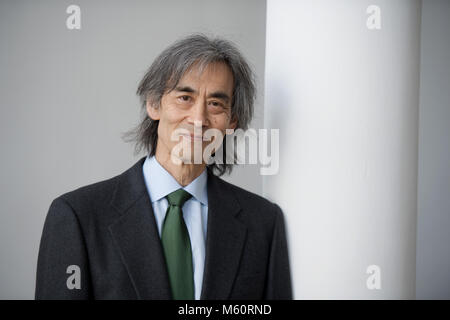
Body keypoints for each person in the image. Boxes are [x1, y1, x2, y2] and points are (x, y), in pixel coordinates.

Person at [35, 34, 292, 300]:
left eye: (215, 104)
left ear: (231, 123)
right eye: (185, 98)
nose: (198, 119)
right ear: (154, 104)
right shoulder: (77, 217)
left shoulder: (263, 223)